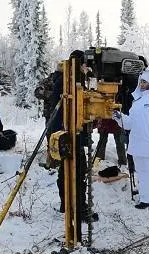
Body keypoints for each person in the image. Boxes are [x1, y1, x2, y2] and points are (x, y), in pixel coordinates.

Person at [49, 51, 98, 240]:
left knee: (68, 169)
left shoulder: (72, 79)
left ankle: (68, 205)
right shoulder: (67, 82)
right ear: (78, 64)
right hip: (68, 132)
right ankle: (78, 209)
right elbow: (66, 109)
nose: (87, 68)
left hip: (69, 131)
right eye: (85, 65)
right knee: (76, 170)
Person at [112, 68, 149, 219]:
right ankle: (146, 199)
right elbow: (131, 123)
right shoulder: (137, 101)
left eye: (145, 82)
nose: (142, 84)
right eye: (141, 81)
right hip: (138, 146)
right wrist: (119, 117)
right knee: (143, 174)